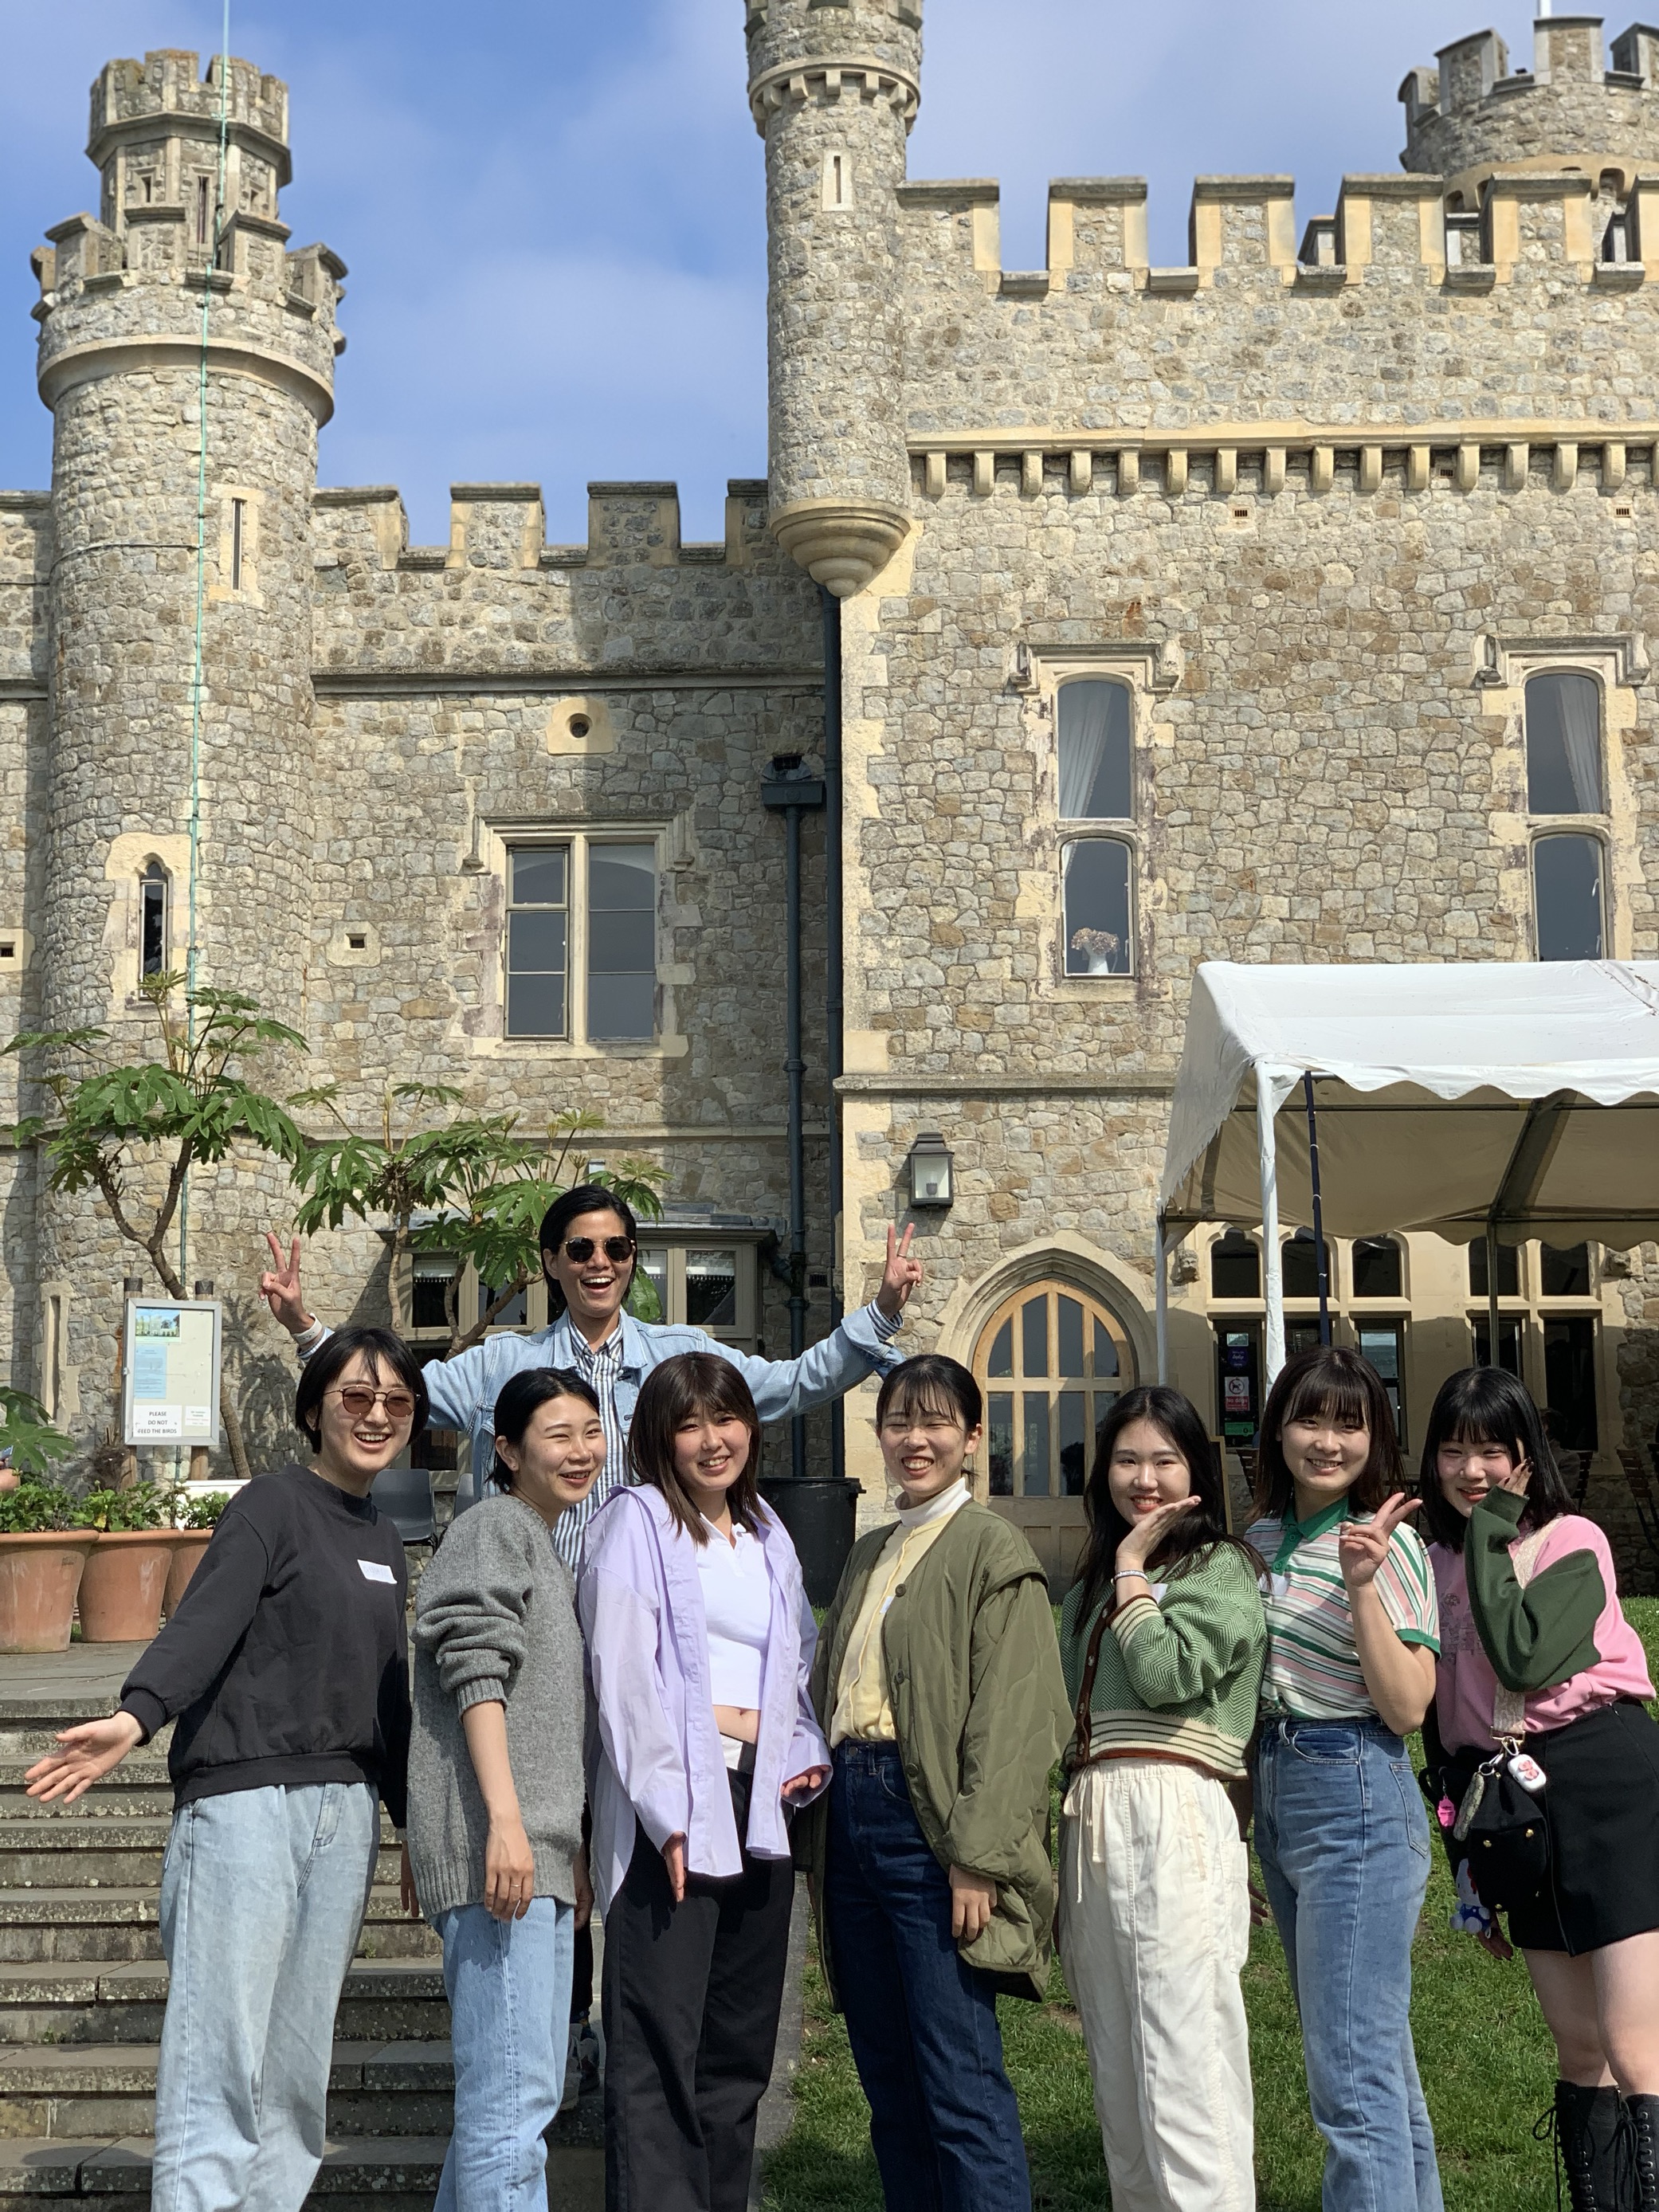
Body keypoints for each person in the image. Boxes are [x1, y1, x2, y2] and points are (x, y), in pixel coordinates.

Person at [261, 1183, 918, 2093]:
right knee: (549, 1828)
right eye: (579, 1248)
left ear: (633, 1259)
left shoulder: (679, 1361)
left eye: (615, 1247)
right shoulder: (508, 1368)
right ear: (551, 1262)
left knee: (638, 1843)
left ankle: (618, 2029)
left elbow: (795, 1382)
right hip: (538, 1651)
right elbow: (395, 1393)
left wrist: (880, 1310)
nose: (598, 1263)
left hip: (646, 1650)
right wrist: (306, 1330)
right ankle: (560, 2033)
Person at [25, 1328, 425, 2212]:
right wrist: (138, 1713)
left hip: (345, 1811)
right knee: (220, 2065)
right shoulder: (270, 1507)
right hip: (247, 1802)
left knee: (294, 2076)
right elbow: (204, 1622)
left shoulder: (386, 1539)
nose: (376, 1415)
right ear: (316, 1405)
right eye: (356, 1397)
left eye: (396, 1402)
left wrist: (408, 1823)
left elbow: (387, 1694)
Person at [803, 1353, 1072, 2212]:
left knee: (958, 2075)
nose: (915, 1440)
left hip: (932, 1828)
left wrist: (976, 1856)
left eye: (936, 1422)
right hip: (850, 1816)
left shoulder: (993, 1547)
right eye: (898, 1422)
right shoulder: (872, 1548)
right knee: (888, 2076)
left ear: (971, 1436)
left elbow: (1018, 1713)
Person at [578, 1351, 830, 2212]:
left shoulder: (765, 1530)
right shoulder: (637, 1523)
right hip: (677, 1816)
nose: (712, 1439)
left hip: (762, 1808)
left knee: (735, 2053)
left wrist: (787, 1743)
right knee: (657, 2052)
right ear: (658, 1438)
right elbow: (622, 1677)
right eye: (689, 1424)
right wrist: (665, 1810)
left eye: (725, 1418)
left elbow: (796, 1660)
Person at [1418, 1365, 1659, 2212]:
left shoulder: (1573, 1541)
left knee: (1636, 2048)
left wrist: (1489, 1527)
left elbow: (1522, 1657)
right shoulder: (1434, 1558)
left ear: (1526, 1455)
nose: (1471, 1469)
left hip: (1604, 1779)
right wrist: (1468, 1871)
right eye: (1453, 1449)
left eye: (1491, 1450)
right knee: (1577, 2044)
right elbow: (1443, 1725)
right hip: (1512, 1804)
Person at [1057, 1384, 1267, 2212]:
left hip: (1174, 1808)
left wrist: (1135, 1571)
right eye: (1127, 1459)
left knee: (1185, 2056)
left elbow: (1168, 1675)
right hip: (1096, 1817)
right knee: (1118, 2061)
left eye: (1164, 1459)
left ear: (1197, 1470)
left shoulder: (1222, 1570)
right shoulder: (1087, 1589)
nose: (1144, 1478)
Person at [1244, 1344, 1444, 2212]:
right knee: (1376, 2064)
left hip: (1356, 1788)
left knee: (1351, 2080)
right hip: (1280, 1794)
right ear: (1278, 1427)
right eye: (1310, 1418)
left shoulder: (1392, 1546)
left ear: (1376, 1437)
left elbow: (1405, 1708)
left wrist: (1362, 1584)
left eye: (1349, 1424)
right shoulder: (1252, 1539)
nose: (1328, 1441)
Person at [406, 1367, 603, 2210]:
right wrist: (506, 1822)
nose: (581, 1450)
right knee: (511, 2109)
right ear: (509, 1450)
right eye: (558, 1435)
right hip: (505, 1856)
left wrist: (567, 1844)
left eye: (592, 1432)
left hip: (540, 1856)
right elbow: (472, 1666)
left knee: (513, 2103)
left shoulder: (544, 1546)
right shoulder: (495, 1525)